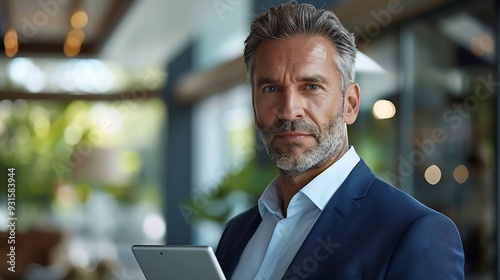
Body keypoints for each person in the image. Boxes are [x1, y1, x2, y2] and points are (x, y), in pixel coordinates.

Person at [215, 2, 465, 280]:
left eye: (311, 86)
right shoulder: (236, 232)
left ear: (350, 104)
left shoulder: (414, 232)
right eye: (271, 88)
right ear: (253, 103)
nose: (289, 110)